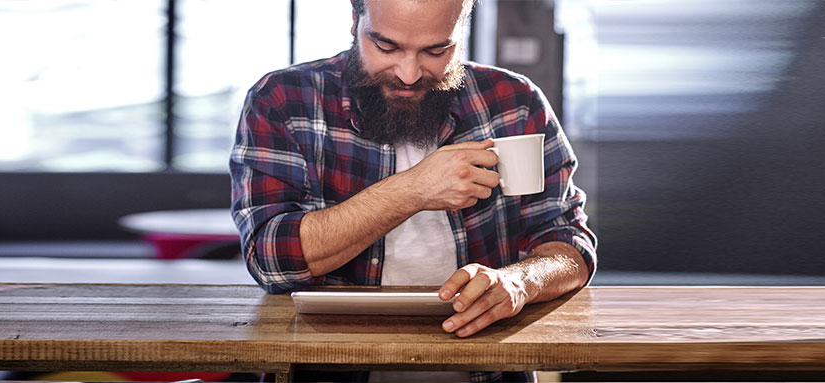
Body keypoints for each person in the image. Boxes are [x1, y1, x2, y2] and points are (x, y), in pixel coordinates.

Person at [230, 0, 595, 380]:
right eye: (386, 47)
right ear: (355, 22)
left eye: (436, 50)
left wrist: (521, 281)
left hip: (489, 370)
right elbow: (270, 262)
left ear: (461, 30)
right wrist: (413, 189)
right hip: (329, 368)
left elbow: (570, 245)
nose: (408, 74)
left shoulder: (515, 101)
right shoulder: (283, 99)